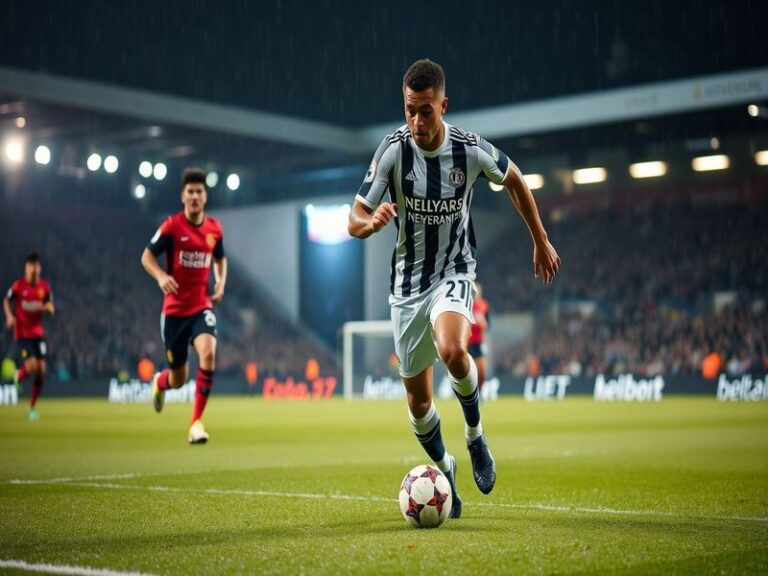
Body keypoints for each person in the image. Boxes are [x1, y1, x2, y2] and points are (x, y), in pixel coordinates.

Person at [348, 59, 560, 518]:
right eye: (410, 111)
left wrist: (540, 239)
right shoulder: (391, 151)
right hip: (406, 286)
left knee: (453, 351)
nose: (417, 122)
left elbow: (516, 179)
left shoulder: (469, 150)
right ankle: (445, 467)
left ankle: (475, 435)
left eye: (426, 111)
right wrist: (372, 223)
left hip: (455, 271)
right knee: (419, 403)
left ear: (443, 105)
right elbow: (354, 218)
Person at [141, 168, 227, 444]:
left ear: (205, 196)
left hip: (201, 306)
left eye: (199, 191)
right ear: (182, 196)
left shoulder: (214, 229)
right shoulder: (172, 227)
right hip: (175, 312)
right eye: (189, 191)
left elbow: (220, 258)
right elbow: (146, 257)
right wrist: (162, 276)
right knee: (178, 379)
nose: (194, 196)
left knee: (209, 353)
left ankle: (195, 424)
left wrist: (221, 281)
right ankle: (159, 382)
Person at [2, 253, 55, 420]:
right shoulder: (19, 286)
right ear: (26, 268)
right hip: (22, 334)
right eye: (30, 265)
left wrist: (48, 308)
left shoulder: (44, 287)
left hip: (38, 334)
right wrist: (10, 316)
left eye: (36, 265)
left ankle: (32, 407)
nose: (33, 269)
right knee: (32, 365)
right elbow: (6, 300)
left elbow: (51, 309)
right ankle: (19, 375)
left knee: (41, 371)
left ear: (39, 268)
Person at [468, 282, 490, 390]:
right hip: (467, 342)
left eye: (478, 291)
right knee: (469, 371)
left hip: (479, 342)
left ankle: (479, 393)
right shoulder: (467, 305)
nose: (476, 294)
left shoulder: (484, 305)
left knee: (481, 370)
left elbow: (487, 325)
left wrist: (483, 323)